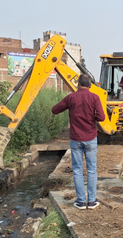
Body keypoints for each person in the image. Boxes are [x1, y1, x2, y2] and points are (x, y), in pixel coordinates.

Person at [52, 74, 106, 210]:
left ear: (78, 84)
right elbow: (101, 117)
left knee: (77, 170)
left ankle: (81, 201)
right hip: (91, 138)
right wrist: (90, 116)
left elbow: (55, 110)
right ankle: (92, 201)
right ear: (90, 85)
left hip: (76, 138)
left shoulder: (71, 97)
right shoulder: (94, 97)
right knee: (92, 170)